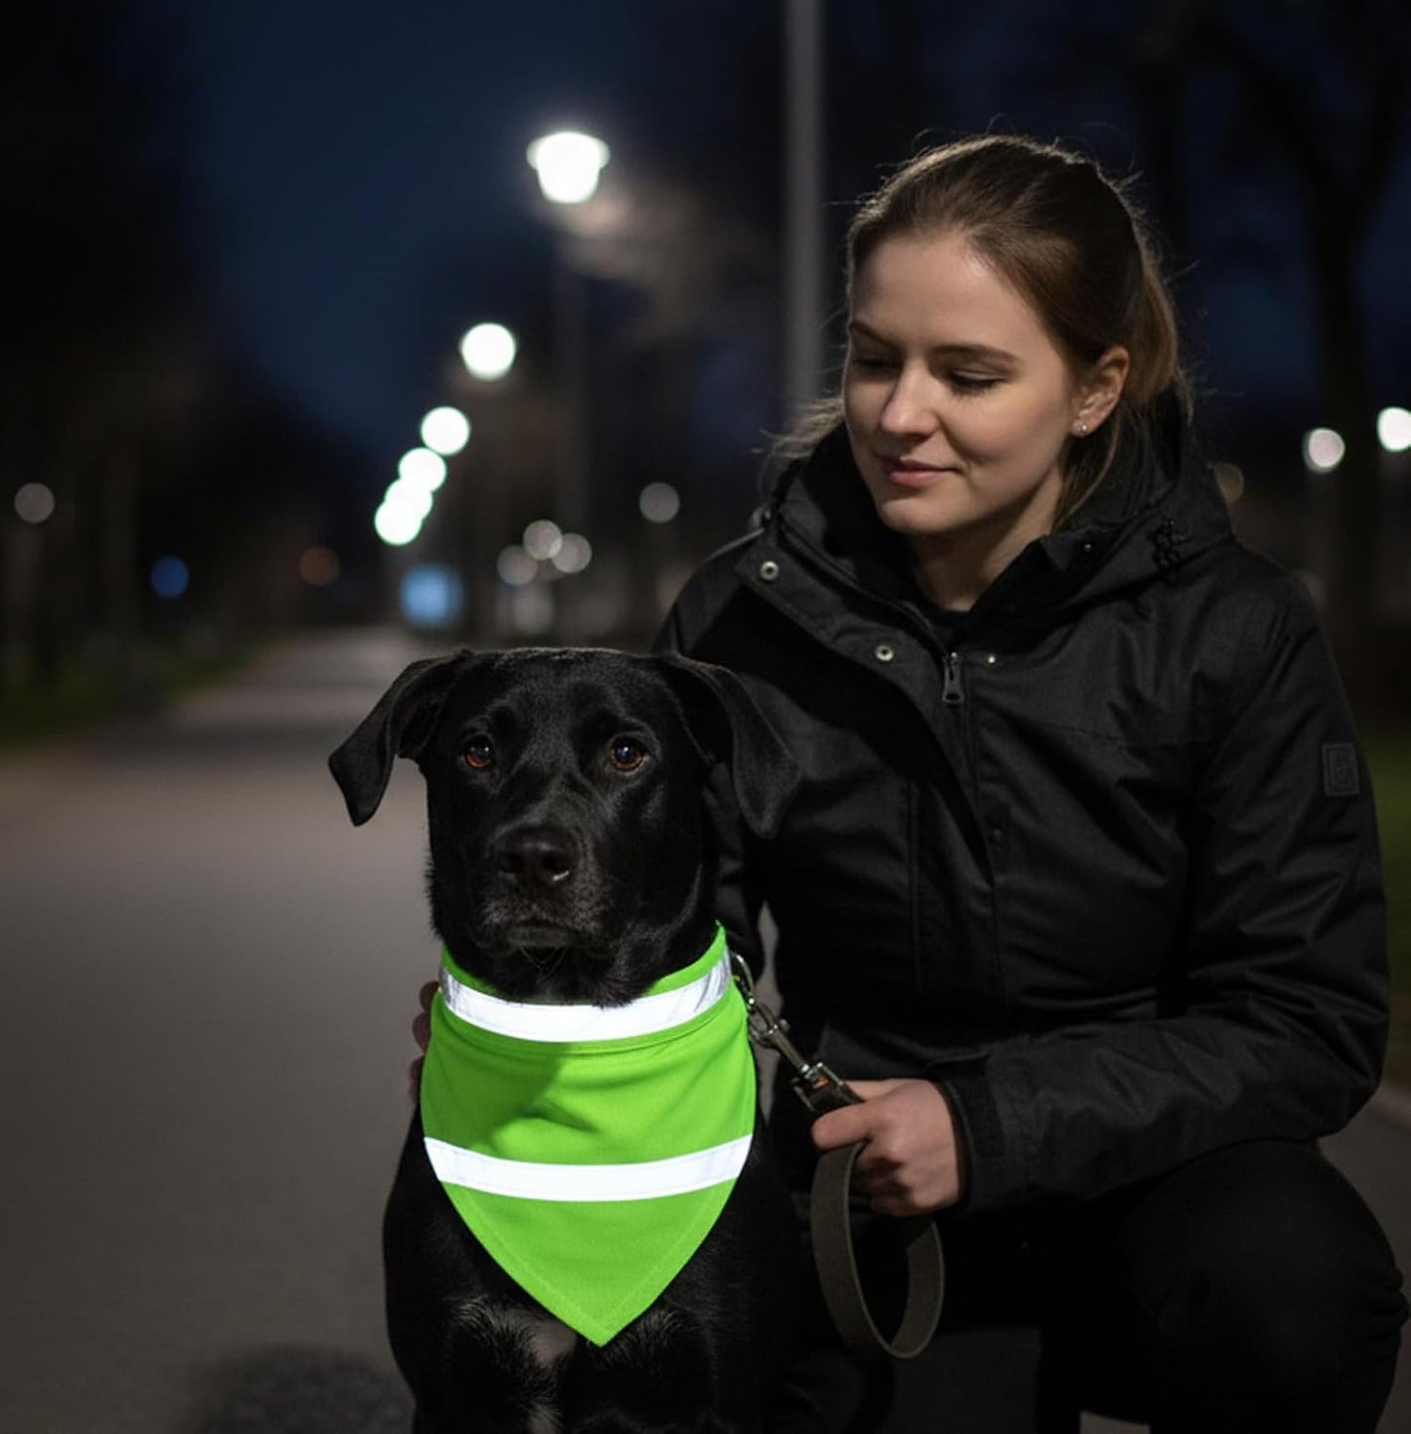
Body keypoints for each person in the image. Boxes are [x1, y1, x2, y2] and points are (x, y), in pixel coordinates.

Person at [414, 132, 1405, 1430]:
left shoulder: (1235, 628)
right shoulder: (738, 618)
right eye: (874, 357)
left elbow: (1305, 1018)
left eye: (969, 373)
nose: (897, 412)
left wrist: (986, 1124)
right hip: (858, 1183)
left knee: (1296, 1298)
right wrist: (523, 996)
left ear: (1096, 387)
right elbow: (674, 920)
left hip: (1156, 1189)